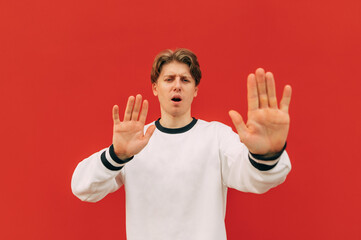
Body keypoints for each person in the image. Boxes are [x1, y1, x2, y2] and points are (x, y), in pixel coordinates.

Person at [71, 48, 292, 240]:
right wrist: (116, 155)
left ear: (195, 90)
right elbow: (83, 187)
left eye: (185, 80)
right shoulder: (134, 143)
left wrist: (266, 154)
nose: (177, 86)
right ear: (155, 88)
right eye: (169, 79)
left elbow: (256, 178)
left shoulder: (216, 137)